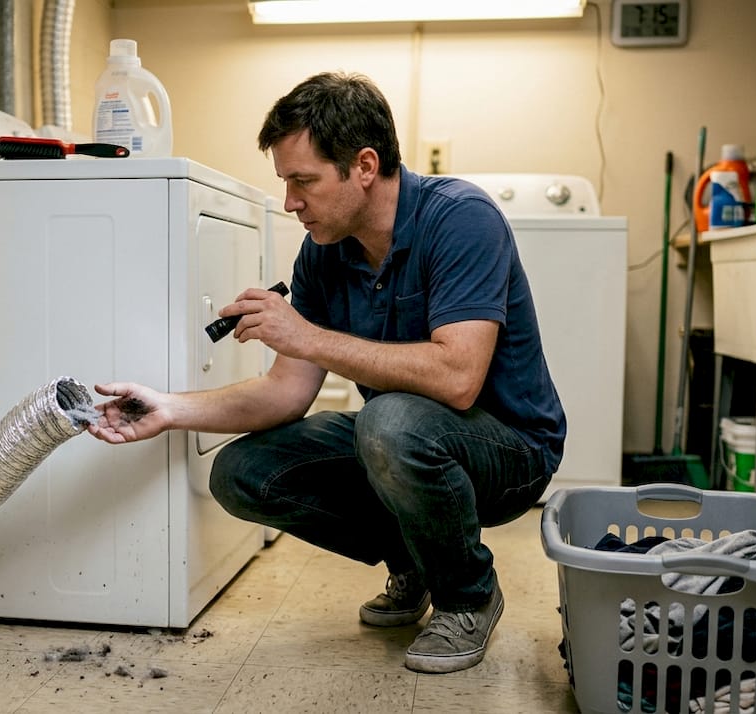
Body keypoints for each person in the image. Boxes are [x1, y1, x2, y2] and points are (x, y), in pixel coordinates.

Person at [86, 71, 565, 675]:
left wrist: (307, 335)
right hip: (406, 438)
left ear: (364, 165)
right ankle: (418, 562)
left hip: (512, 449)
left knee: (387, 422)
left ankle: (468, 594)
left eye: (303, 181)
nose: (290, 202)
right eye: (285, 182)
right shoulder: (323, 252)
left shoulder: (461, 219)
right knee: (243, 473)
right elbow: (284, 392)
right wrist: (170, 408)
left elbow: (457, 378)